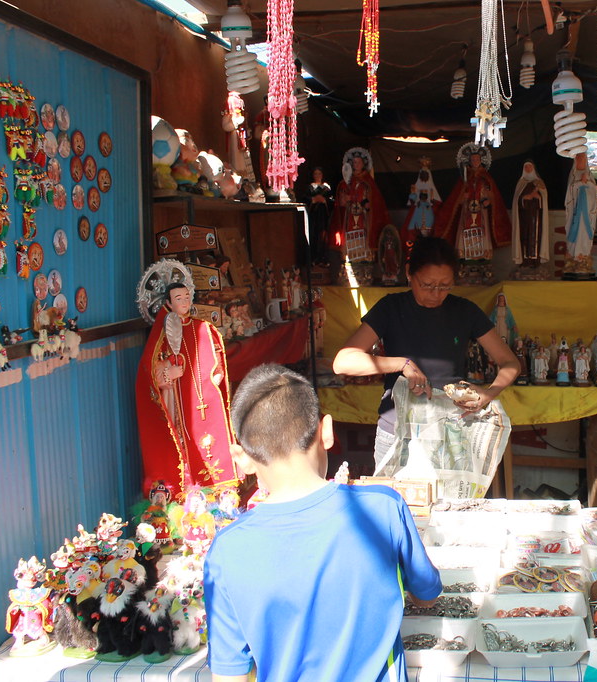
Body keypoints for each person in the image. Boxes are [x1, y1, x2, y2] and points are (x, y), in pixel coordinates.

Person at [204, 364, 442, 681]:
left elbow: (229, 673)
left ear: (241, 458)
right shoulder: (383, 509)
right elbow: (427, 596)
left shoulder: (227, 549)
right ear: (327, 432)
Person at [332, 237, 519, 468]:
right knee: (394, 492)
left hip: (450, 433)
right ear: (409, 273)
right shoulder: (390, 308)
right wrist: (402, 364)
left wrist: (490, 393)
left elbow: (510, 362)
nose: (435, 294)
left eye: (444, 286)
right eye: (427, 285)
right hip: (397, 432)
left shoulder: (465, 311)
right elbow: (343, 361)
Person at [134, 282, 237, 499]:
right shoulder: (162, 333)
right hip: (176, 401)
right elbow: (149, 370)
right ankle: (186, 492)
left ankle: (216, 491)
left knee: (210, 447)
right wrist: (167, 374)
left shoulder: (205, 329)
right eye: (178, 298)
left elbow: (217, 363)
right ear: (169, 303)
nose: (184, 302)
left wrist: (213, 380)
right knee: (182, 447)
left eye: (187, 296)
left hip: (204, 399)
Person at [437, 143, 511, 262]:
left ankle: (482, 256)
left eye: (477, 159)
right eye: (473, 159)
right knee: (465, 230)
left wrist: (488, 200)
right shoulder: (465, 178)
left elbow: (493, 195)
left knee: (481, 231)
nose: (475, 161)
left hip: (481, 210)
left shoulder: (486, 177)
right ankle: (465, 255)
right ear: (470, 161)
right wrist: (462, 197)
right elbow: (456, 197)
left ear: (481, 160)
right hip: (467, 210)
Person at [329, 147, 388, 264]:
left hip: (363, 215)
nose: (357, 165)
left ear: (363, 164)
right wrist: (344, 197)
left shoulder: (368, 181)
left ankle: (364, 258)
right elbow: (341, 201)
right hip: (349, 214)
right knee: (350, 233)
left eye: (359, 162)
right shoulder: (346, 180)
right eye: (355, 162)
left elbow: (373, 199)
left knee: (362, 233)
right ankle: (349, 257)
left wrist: (363, 202)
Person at [511, 160, 549, 267]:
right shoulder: (521, 183)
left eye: (530, 167)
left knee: (535, 237)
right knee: (524, 236)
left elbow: (544, 199)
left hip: (536, 216)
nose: (528, 169)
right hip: (523, 216)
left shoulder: (539, 182)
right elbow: (516, 200)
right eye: (526, 167)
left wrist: (538, 197)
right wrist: (524, 198)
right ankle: (524, 261)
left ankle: (535, 261)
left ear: (533, 168)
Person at [303, 166, 334, 267]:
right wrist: (313, 200)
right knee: (314, 236)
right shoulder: (310, 188)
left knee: (324, 237)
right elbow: (305, 199)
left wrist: (324, 200)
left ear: (322, 175)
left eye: (319, 174)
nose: (317, 176)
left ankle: (324, 259)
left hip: (324, 217)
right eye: (315, 174)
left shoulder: (326, 188)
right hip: (313, 217)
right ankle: (314, 258)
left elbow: (332, 201)